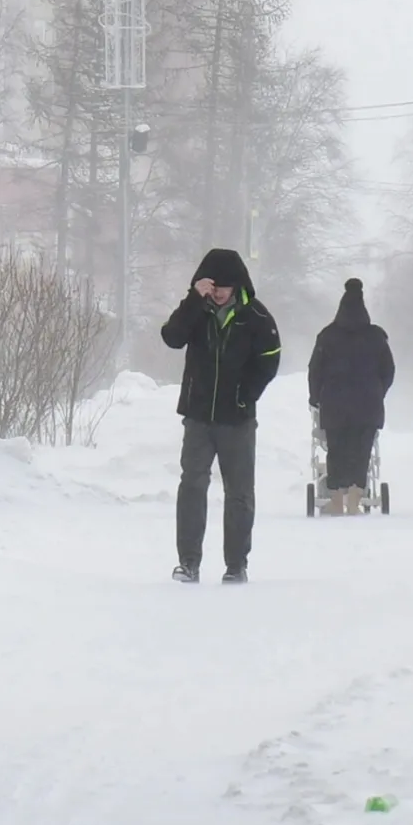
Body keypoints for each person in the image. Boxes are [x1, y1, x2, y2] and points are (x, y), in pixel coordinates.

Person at [160, 248, 281, 584]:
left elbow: (270, 358)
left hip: (237, 420)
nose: (216, 292)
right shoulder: (196, 310)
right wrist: (191, 300)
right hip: (198, 416)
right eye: (210, 286)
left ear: (236, 285)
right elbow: (172, 337)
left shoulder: (256, 316)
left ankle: (236, 564)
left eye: (222, 287)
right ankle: (188, 563)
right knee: (192, 486)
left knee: (239, 491)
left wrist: (246, 395)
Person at [307, 278, 395, 515]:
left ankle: (336, 499)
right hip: (368, 404)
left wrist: (315, 397)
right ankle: (355, 499)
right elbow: (388, 370)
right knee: (362, 451)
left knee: (336, 450)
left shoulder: (327, 336)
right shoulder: (376, 337)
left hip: (334, 405)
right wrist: (378, 391)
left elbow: (315, 370)